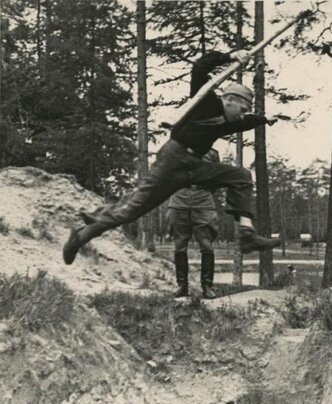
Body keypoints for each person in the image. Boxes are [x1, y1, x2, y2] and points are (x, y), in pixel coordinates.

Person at [63, 48, 281, 265]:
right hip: (172, 160)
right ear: (230, 100)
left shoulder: (226, 121)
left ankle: (247, 235)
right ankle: (82, 236)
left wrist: (264, 119)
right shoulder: (205, 102)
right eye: (242, 109)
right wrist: (230, 56)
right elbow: (200, 67)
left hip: (194, 166)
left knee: (241, 176)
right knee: (132, 211)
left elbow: (245, 122)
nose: (242, 115)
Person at [169, 148, 220, 299]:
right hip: (179, 200)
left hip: (203, 200)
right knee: (179, 245)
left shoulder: (212, 153)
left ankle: (207, 286)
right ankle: (182, 286)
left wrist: (203, 189)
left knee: (206, 245)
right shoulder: (176, 148)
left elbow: (217, 178)